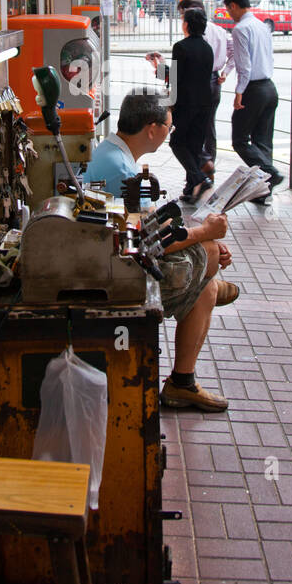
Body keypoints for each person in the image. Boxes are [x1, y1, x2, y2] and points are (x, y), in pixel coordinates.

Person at [82, 91, 234, 411]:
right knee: (207, 263)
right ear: (152, 128)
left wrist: (202, 237)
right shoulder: (121, 171)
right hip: (117, 274)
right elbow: (153, 241)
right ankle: (181, 383)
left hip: (113, 253)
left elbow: (149, 229)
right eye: (169, 127)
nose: (169, 133)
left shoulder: (113, 153)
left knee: (206, 262)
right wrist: (206, 232)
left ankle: (183, 382)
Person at [223, 0, 282, 199]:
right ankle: (264, 192)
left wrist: (239, 92)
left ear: (234, 6)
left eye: (228, 9)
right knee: (263, 142)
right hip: (269, 88)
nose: (229, 13)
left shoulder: (240, 29)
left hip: (253, 90)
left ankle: (270, 173)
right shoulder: (262, 26)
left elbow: (244, 66)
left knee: (240, 139)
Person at [178, 0, 233, 176]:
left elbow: (179, 76)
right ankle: (206, 166)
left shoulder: (183, 46)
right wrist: (225, 71)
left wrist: (159, 67)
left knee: (182, 138)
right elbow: (233, 52)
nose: (181, 20)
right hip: (212, 85)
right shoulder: (213, 38)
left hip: (191, 91)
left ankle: (200, 170)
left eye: (182, 16)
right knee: (208, 128)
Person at [167, 7, 215, 201]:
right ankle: (190, 190)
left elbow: (176, 79)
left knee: (177, 142)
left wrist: (169, 104)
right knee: (194, 146)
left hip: (186, 102)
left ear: (186, 24)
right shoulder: (207, 48)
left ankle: (199, 178)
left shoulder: (181, 47)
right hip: (205, 102)